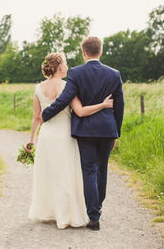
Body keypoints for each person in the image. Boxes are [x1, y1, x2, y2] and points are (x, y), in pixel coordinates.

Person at [41, 37, 124, 231]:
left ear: (83, 52)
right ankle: (98, 209)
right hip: (106, 130)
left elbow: (64, 98)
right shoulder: (114, 74)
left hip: (85, 131)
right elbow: (119, 106)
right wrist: (116, 133)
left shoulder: (76, 73)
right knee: (102, 169)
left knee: (89, 171)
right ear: (101, 52)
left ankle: (93, 216)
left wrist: (47, 114)